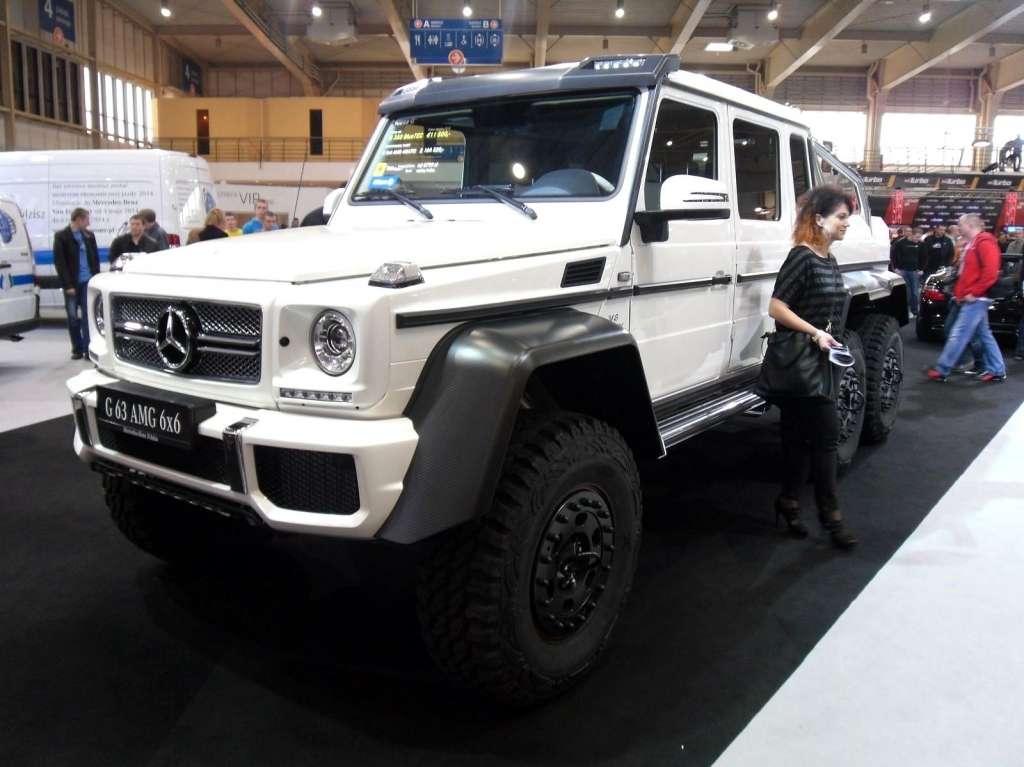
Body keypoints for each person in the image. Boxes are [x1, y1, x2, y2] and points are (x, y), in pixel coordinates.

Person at [766, 185, 858, 550]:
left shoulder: (829, 260)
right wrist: (816, 333)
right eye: (841, 217)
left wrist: (828, 337)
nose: (847, 223)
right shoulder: (802, 257)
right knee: (826, 438)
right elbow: (776, 308)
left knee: (797, 440)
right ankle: (831, 518)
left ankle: (789, 502)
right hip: (801, 362)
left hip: (818, 361)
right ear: (819, 219)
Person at [927, 214, 1007, 383]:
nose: (958, 228)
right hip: (972, 297)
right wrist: (960, 294)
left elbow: (990, 273)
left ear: (970, 225)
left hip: (977, 299)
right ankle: (997, 369)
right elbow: (966, 274)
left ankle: (942, 369)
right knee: (984, 336)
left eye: (960, 225)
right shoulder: (972, 243)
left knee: (959, 334)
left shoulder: (984, 242)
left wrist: (974, 292)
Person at [52, 208, 100, 360]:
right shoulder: (61, 237)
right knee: (73, 317)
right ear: (79, 219)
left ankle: (87, 349)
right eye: (87, 219)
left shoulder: (89, 236)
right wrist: (67, 285)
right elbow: (60, 263)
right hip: (72, 283)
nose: (89, 223)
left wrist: (96, 278)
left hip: (88, 281)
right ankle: (77, 348)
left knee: (88, 315)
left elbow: (95, 258)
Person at [891, 225, 924, 316]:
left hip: (915, 271)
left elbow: (924, 257)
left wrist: (921, 269)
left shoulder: (921, 244)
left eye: (919, 237)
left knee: (915, 292)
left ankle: (914, 310)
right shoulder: (900, 243)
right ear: (911, 235)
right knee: (905, 292)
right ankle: (905, 311)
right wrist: (896, 268)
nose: (918, 239)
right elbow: (893, 256)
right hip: (902, 270)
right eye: (917, 237)